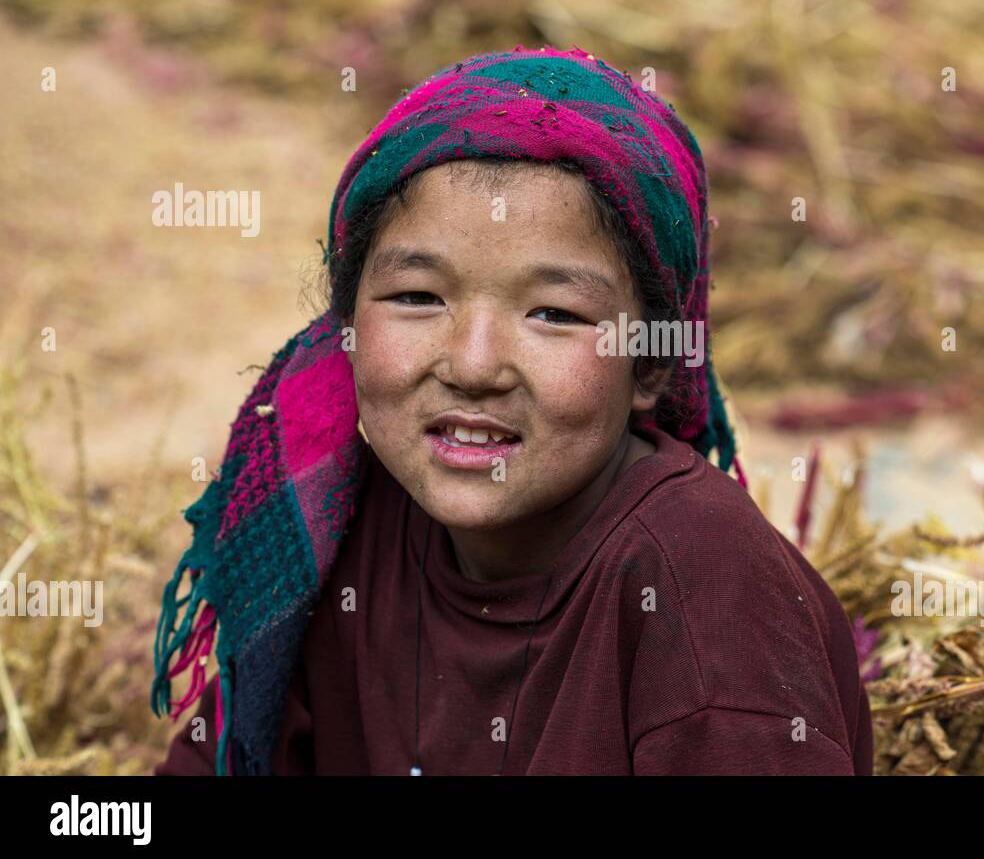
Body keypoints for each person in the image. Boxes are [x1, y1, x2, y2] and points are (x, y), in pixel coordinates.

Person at [152, 45, 873, 775]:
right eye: (417, 297)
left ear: (651, 360)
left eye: (554, 313)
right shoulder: (335, 528)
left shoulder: (701, 583)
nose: (471, 365)